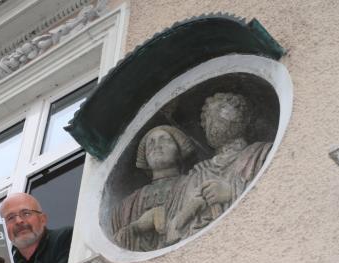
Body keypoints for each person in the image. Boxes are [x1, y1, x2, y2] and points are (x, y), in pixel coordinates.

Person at [166, 92, 272, 237]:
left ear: (245, 118)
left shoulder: (261, 153)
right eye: (207, 115)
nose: (214, 115)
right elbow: (172, 233)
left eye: (223, 107)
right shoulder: (194, 176)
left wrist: (231, 192)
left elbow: (274, 196)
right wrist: (190, 209)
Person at [111, 125, 196, 251]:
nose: (156, 146)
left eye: (164, 140)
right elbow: (114, 247)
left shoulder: (195, 182)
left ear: (179, 151)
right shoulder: (125, 207)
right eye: (150, 143)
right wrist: (138, 227)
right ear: (144, 156)